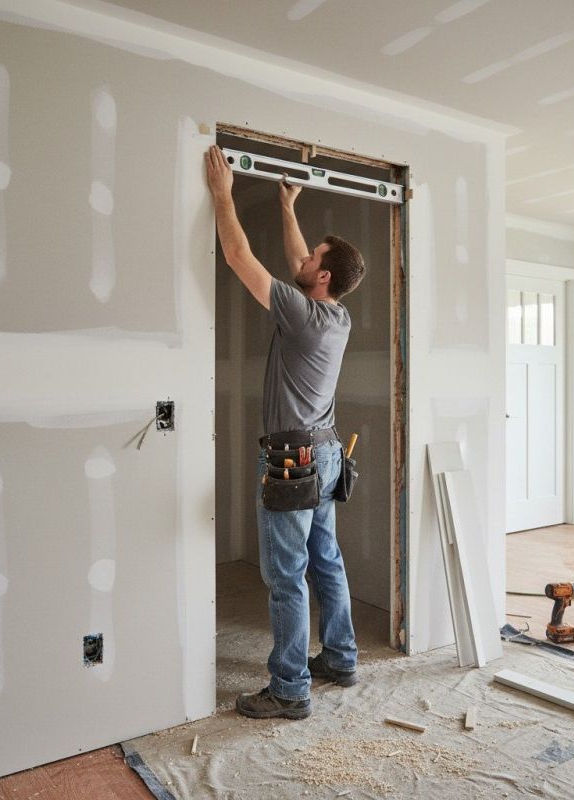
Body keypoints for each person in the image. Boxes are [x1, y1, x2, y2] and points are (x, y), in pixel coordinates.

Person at [205, 144, 365, 720]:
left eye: (312, 258)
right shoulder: (336, 313)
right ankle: (341, 658)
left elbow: (238, 255)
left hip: (292, 459)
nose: (302, 258)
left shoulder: (298, 313)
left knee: (285, 577)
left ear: (320, 277)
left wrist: (223, 196)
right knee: (326, 561)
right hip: (323, 456)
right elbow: (301, 259)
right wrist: (288, 207)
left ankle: (290, 689)